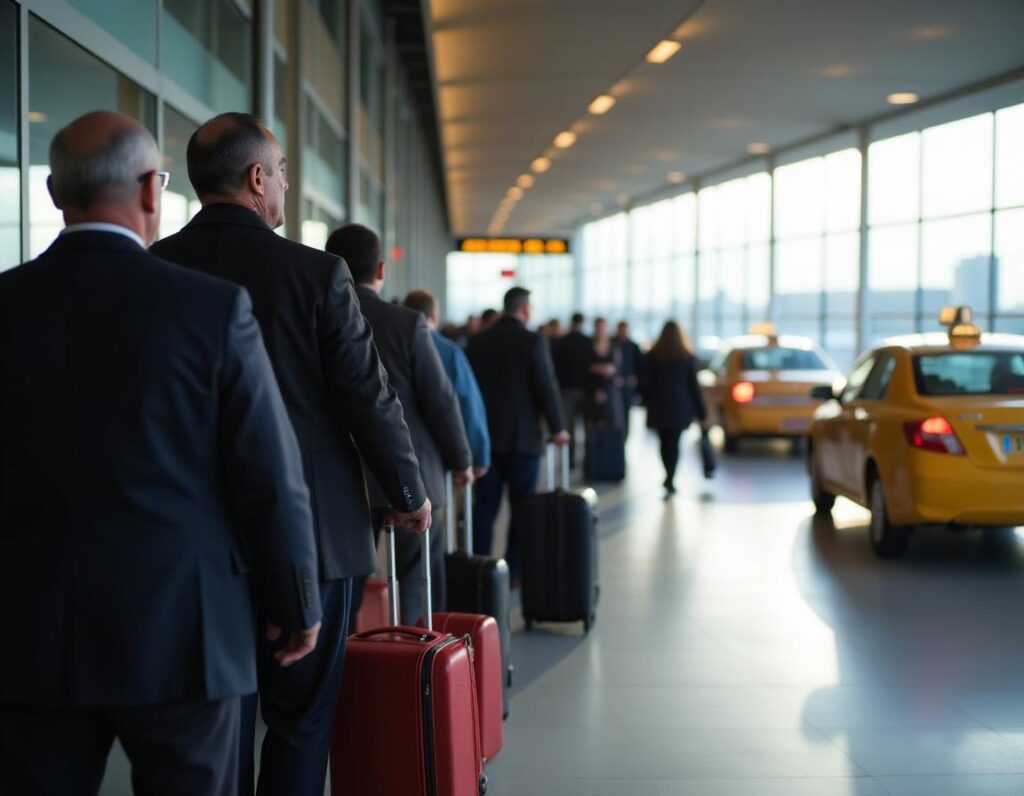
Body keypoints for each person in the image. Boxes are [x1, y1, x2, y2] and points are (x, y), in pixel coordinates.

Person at [0, 111, 322, 796]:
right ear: (152, 190)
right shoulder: (210, 309)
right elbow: (270, 474)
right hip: (184, 630)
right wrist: (296, 599)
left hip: (30, 628)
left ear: (55, 193)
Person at [150, 113, 430, 796]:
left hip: (192, 541)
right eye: (278, 172)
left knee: (216, 723)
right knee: (302, 721)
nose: (282, 184)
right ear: (254, 180)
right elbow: (368, 396)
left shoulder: (154, 270)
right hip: (314, 538)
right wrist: (407, 492)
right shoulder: (317, 273)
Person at [325, 226, 473, 625]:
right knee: (417, 579)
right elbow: (440, 400)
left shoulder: (313, 315)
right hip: (411, 472)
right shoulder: (407, 323)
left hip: (340, 478)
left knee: (345, 586)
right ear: (380, 268)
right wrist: (462, 461)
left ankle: (352, 665)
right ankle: (416, 667)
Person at [466, 287, 568, 581]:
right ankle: (514, 570)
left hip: (485, 440)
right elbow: (545, 387)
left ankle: (481, 567)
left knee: (485, 507)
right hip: (524, 440)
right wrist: (558, 428)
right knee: (522, 508)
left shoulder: (478, 342)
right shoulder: (533, 341)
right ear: (524, 310)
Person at [403, 289, 492, 482]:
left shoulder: (389, 343)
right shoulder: (449, 352)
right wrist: (477, 456)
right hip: (439, 455)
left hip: (396, 450)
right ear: (434, 315)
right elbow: (468, 404)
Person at [641, 321, 708, 498]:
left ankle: (668, 475)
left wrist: (645, 401)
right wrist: (702, 414)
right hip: (680, 407)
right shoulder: (687, 357)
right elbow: (694, 388)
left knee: (664, 443)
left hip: (659, 406)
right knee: (675, 443)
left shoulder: (652, 356)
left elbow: (645, 384)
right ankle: (671, 477)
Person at [552, 312, 592, 468]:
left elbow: (555, 368)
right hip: (585, 389)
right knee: (587, 425)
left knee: (569, 427)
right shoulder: (588, 342)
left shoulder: (562, 342)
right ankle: (588, 459)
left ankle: (569, 460)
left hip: (566, 389)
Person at [585, 317, 624, 429]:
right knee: (594, 423)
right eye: (598, 328)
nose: (601, 330)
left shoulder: (614, 346)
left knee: (612, 421)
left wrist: (601, 369)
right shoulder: (589, 345)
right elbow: (586, 368)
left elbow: (617, 368)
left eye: (603, 327)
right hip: (593, 388)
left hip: (610, 389)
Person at [613, 320, 642, 438]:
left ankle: (624, 436)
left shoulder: (633, 346)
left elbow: (640, 365)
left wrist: (635, 377)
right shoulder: (612, 344)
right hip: (614, 385)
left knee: (626, 411)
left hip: (628, 386)